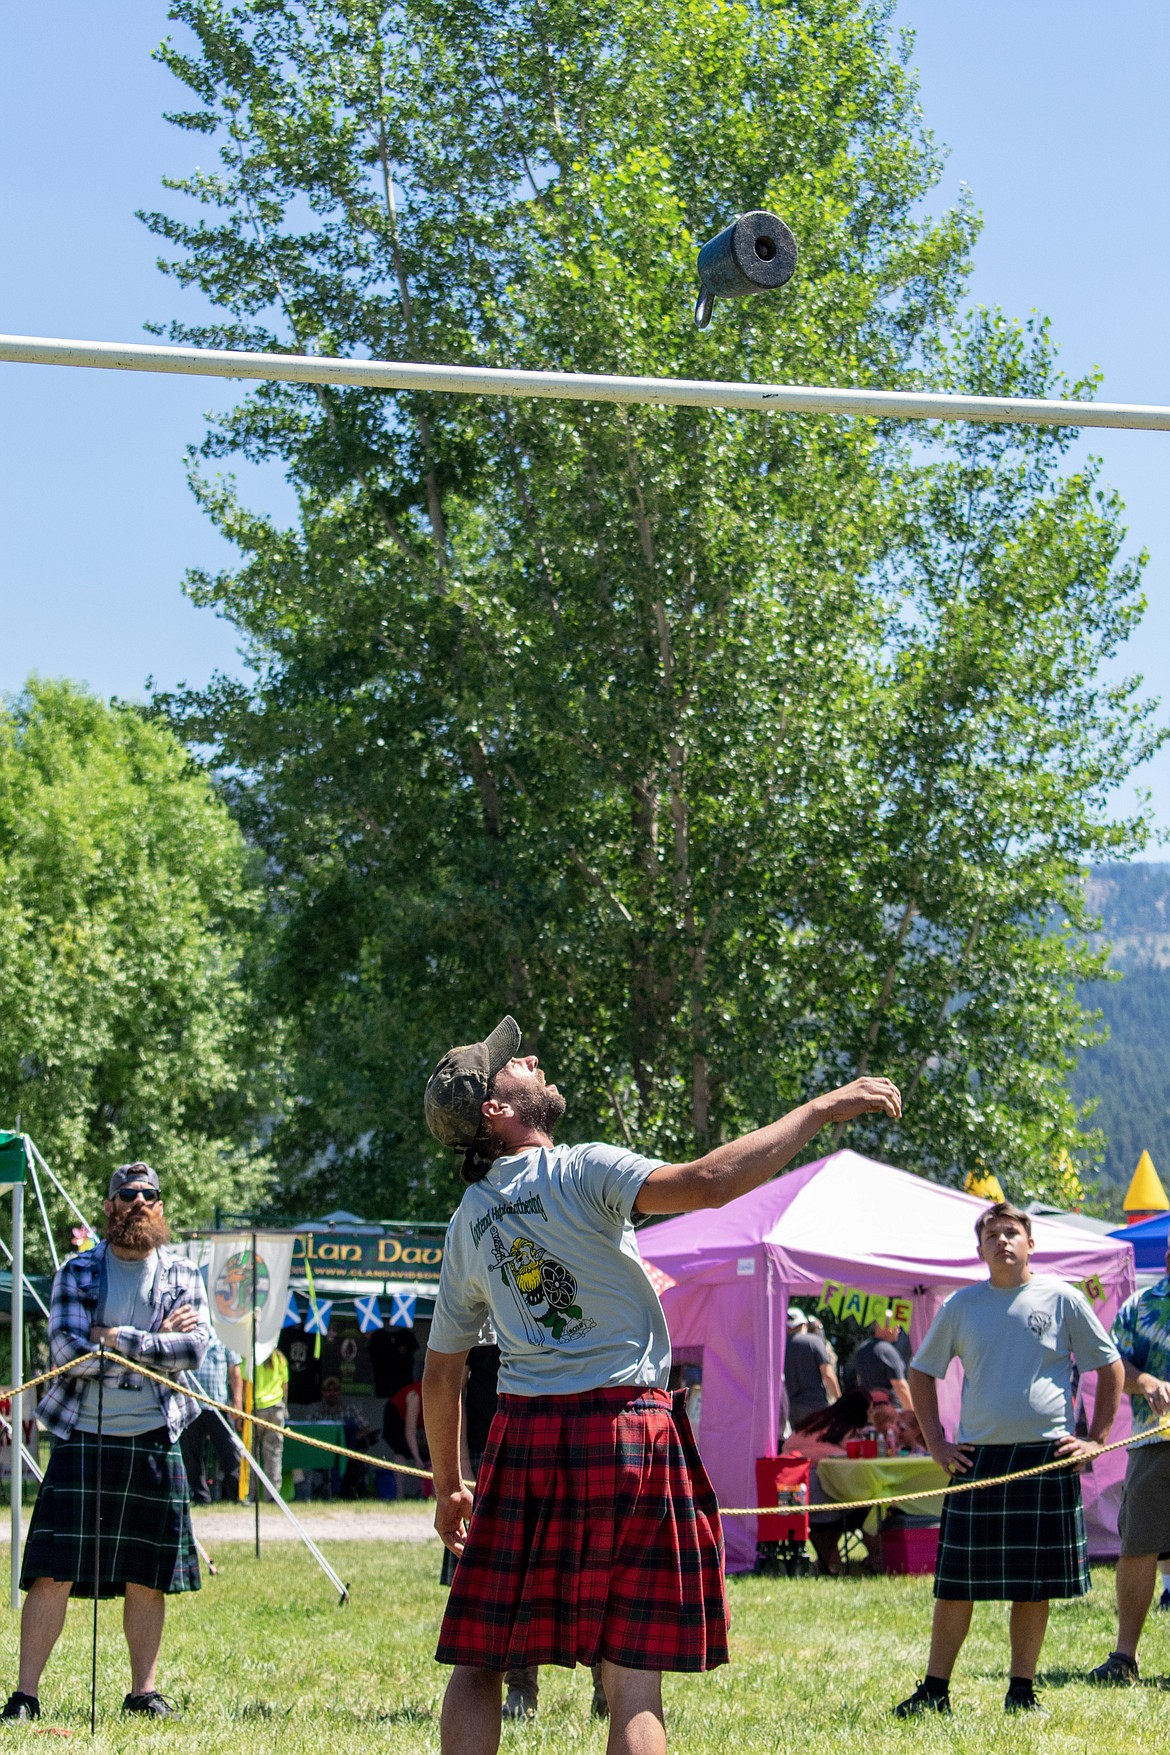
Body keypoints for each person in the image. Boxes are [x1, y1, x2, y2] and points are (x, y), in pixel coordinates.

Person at [420, 1013, 901, 1755]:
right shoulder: (580, 1167)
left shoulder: (468, 1218)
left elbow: (442, 1371)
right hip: (625, 1429)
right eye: (515, 1066)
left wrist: (450, 1483)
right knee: (635, 1678)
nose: (534, 1059)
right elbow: (711, 1182)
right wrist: (819, 1109)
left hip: (524, 1437)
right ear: (497, 1110)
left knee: (481, 1656)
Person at [894, 1200, 1124, 1719]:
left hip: (1045, 1458)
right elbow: (920, 1373)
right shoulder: (960, 1305)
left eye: (1012, 1233)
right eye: (992, 1234)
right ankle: (934, 1692)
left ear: (1030, 1244)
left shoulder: (1062, 1298)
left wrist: (1097, 1438)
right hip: (977, 1460)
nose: (1002, 1241)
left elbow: (1108, 1368)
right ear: (979, 1248)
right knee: (956, 1582)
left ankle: (1022, 1691)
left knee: (1033, 1583)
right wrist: (935, 1443)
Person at [2, 1162, 209, 1723]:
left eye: (148, 1195)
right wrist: (154, 1340)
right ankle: (25, 1696)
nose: (137, 1202)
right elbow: (66, 1354)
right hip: (82, 1438)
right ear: (109, 1207)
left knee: (148, 1573)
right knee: (52, 1570)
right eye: (126, 1195)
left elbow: (195, 1351)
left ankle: (143, 1692)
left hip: (153, 1436)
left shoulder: (184, 1273)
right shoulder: (77, 1271)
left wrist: (115, 1339)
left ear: (161, 1207)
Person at [1086, 1239, 1170, 1683]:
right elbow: (1113, 1363)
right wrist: (1148, 1381)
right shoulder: (1140, 1306)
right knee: (1138, 1544)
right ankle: (1125, 1658)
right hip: (1153, 1442)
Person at [787, 1391, 880, 1574]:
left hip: (794, 1489)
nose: (870, 1416)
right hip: (819, 1494)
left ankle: (831, 1561)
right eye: (869, 1411)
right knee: (870, 1507)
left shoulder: (816, 1420)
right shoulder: (844, 1428)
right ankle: (876, 1559)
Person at [179, 1328, 243, 1505]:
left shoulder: (225, 1338)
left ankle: (237, 1495)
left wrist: (237, 1404)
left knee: (230, 1451)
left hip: (218, 1406)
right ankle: (201, 1497)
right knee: (191, 1454)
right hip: (191, 1405)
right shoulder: (188, 1337)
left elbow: (235, 1372)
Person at [784, 1307, 840, 1429]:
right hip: (815, 1405)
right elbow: (828, 1374)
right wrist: (839, 1400)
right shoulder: (814, 1342)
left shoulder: (781, 1346)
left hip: (791, 1407)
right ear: (804, 1324)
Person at [245, 1345, 289, 1500]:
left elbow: (246, 1383)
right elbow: (285, 1386)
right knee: (274, 1454)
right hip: (275, 1409)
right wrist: (285, 1408)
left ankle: (251, 1494)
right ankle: (272, 1496)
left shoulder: (250, 1356)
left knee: (252, 1453)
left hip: (255, 1409)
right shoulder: (281, 1358)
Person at [848, 1318, 913, 1410]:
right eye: (896, 1327)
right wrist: (911, 1413)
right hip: (891, 1411)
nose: (898, 1331)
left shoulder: (861, 1349)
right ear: (887, 1328)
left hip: (870, 1409)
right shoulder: (888, 1351)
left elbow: (859, 1379)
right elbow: (900, 1386)